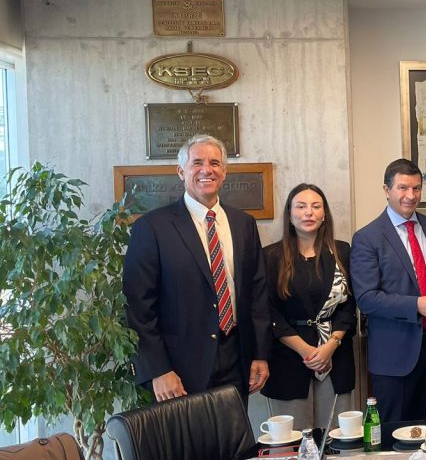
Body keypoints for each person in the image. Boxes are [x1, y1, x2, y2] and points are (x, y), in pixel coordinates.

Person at [124, 134, 272, 401]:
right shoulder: (152, 227)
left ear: (224, 173)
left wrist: (260, 353)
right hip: (179, 368)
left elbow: (257, 293)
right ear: (181, 172)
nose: (207, 170)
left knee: (233, 430)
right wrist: (158, 369)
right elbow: (138, 306)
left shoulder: (243, 224)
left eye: (215, 163)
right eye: (197, 163)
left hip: (236, 358)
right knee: (186, 431)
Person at [350, 158, 426, 422]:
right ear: (386, 190)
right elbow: (367, 299)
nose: (410, 195)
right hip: (395, 357)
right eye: (403, 188)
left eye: (416, 188)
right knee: (395, 433)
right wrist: (416, 305)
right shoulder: (367, 238)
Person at [260, 183, 356, 431]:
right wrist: (306, 351)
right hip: (288, 360)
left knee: (337, 438)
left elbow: (349, 305)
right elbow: (269, 311)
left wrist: (330, 346)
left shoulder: (342, 251)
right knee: (293, 441)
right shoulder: (270, 256)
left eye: (316, 206)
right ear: (289, 215)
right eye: (301, 207)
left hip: (335, 357)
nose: (309, 212)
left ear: (325, 214)